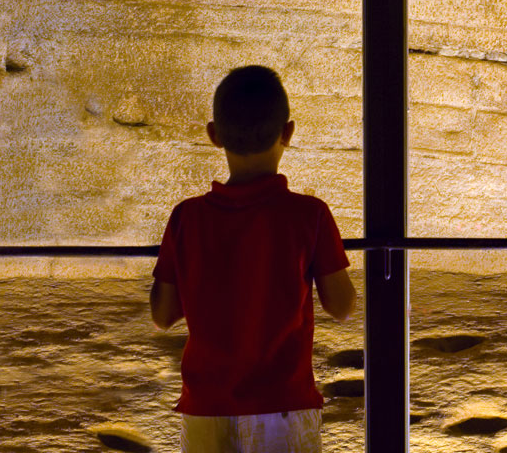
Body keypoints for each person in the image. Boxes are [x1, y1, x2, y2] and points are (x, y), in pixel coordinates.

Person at [150, 65, 356, 453]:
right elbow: (342, 307)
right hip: (283, 405)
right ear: (288, 133)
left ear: (214, 135)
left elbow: (163, 315)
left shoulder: (187, 217)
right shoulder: (309, 215)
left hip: (206, 406)